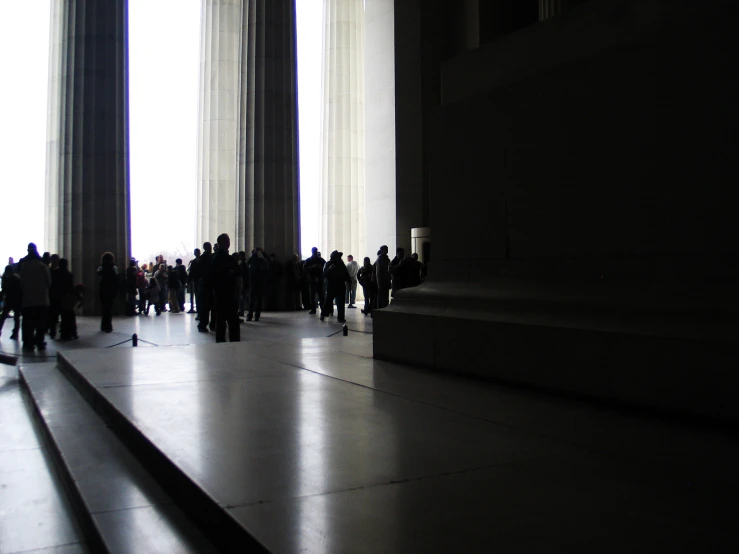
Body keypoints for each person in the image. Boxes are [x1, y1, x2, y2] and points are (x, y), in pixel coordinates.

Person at [20, 243, 51, 351]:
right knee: (40, 324)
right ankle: (39, 342)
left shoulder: (24, 267)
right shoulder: (43, 266)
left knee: (28, 324)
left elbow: (21, 283)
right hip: (42, 300)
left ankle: (28, 343)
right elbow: (48, 283)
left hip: (28, 300)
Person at [209, 233, 240, 342]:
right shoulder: (227, 259)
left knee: (221, 320)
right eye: (227, 241)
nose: (229, 243)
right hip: (227, 292)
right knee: (232, 321)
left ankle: (221, 342)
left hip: (219, 292)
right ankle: (233, 342)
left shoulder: (215, 258)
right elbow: (235, 273)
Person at [321, 251, 351, 323]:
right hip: (332, 285)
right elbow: (325, 274)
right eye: (337, 256)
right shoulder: (328, 264)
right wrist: (330, 269)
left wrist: (348, 281)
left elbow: (346, 274)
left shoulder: (341, 265)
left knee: (341, 302)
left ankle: (341, 317)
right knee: (328, 301)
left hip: (341, 285)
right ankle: (323, 314)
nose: (339, 258)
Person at [53, 259, 75, 340]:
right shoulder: (69, 274)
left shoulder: (54, 273)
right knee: (67, 316)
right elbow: (71, 287)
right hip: (66, 297)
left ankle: (53, 332)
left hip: (56, 296)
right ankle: (67, 333)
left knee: (54, 316)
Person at [98, 252, 118, 333]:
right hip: (110, 290)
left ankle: (103, 326)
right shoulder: (113, 268)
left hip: (103, 289)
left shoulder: (101, 268)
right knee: (109, 309)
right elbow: (116, 279)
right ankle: (108, 326)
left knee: (104, 308)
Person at [247, 247, 269, 322]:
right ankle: (251, 315)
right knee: (252, 300)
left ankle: (255, 316)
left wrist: (263, 255)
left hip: (259, 282)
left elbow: (267, 265)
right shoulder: (254, 258)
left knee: (257, 301)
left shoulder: (263, 259)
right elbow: (248, 263)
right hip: (254, 282)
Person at [0, 264, 22, 340]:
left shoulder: (6, 279)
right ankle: (15, 333)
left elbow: (4, 290)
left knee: (3, 317)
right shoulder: (16, 278)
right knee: (16, 318)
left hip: (9, 300)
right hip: (16, 300)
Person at [304, 247, 326, 315]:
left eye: (315, 251)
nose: (315, 252)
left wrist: (320, 267)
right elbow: (305, 269)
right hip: (312, 279)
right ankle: (313, 309)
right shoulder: (308, 260)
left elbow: (326, 267)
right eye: (314, 251)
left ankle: (322, 309)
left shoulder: (321, 260)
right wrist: (312, 267)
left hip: (319, 279)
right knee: (312, 296)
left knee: (321, 296)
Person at [187, 248, 201, 313]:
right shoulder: (194, 262)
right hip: (197, 281)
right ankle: (199, 311)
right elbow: (191, 272)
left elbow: (191, 272)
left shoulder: (196, 261)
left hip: (200, 281)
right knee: (197, 296)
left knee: (199, 296)